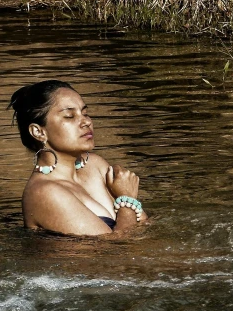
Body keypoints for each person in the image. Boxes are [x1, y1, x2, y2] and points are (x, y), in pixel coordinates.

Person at [8, 80, 147, 236]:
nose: (86, 122)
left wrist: (127, 203)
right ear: (38, 132)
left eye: (85, 113)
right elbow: (116, 250)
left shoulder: (95, 165)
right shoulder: (44, 192)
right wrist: (127, 200)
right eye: (69, 116)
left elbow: (145, 227)